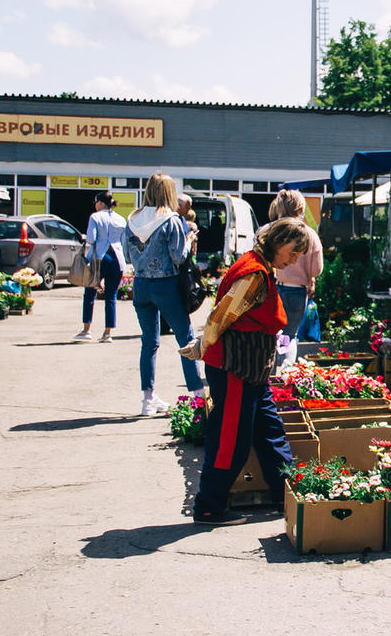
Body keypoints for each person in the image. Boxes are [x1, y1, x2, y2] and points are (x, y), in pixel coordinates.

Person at [178, 218, 311, 526]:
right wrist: (201, 345)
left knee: (270, 431)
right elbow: (221, 315)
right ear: (278, 242)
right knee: (231, 439)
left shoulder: (260, 266)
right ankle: (209, 507)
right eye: (292, 252)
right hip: (235, 368)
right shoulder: (253, 274)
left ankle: (286, 493)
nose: (293, 260)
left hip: (252, 369)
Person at [124, 173, 205, 415]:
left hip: (140, 284)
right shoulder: (171, 221)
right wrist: (189, 240)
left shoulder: (132, 219)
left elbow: (129, 256)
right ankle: (198, 395)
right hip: (167, 285)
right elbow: (179, 256)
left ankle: (148, 399)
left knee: (149, 341)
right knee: (186, 337)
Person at [266, 190, 323, 365]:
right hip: (297, 291)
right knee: (290, 335)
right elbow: (317, 269)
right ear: (301, 208)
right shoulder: (309, 233)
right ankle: (286, 372)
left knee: (272, 332)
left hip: (272, 287)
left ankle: (269, 370)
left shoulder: (271, 230)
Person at [75, 191, 127, 343]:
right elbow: (124, 241)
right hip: (117, 258)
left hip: (100, 257)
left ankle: (86, 329)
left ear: (100, 203)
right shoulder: (120, 219)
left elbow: (91, 238)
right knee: (111, 297)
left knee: (90, 293)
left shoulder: (95, 217)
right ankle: (108, 333)